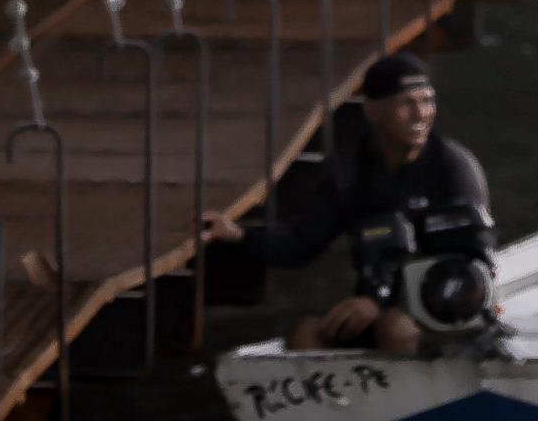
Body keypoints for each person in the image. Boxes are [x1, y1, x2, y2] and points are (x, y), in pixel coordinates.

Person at [207, 51, 492, 357]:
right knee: (304, 332)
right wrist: (239, 235)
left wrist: (381, 302)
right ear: (373, 111)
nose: (420, 113)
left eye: (427, 101)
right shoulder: (351, 171)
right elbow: (301, 243)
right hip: (376, 306)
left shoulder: (453, 167)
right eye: (406, 104)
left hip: (446, 309)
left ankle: (407, 401)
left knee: (394, 328)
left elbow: (470, 264)